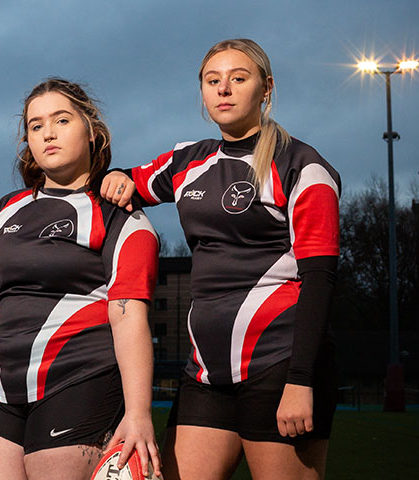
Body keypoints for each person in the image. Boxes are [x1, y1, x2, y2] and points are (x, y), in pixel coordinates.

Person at [101, 39, 340, 480]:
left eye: (238, 78)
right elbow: (130, 181)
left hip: (280, 366)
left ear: (266, 88)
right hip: (205, 372)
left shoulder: (303, 167)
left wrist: (300, 379)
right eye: (213, 81)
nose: (224, 89)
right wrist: (116, 176)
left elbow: (320, 279)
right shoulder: (188, 160)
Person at [0, 78, 161, 480]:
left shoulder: (120, 215)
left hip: (77, 384)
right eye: (35, 126)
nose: (47, 132)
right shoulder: (6, 210)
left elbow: (128, 318)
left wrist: (139, 413)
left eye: (61, 120)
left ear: (91, 131)